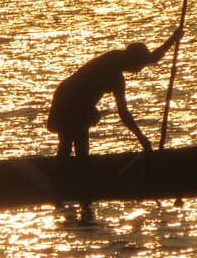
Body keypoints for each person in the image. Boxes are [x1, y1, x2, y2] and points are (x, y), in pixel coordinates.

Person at [47, 27, 183, 160]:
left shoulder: (119, 77)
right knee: (69, 141)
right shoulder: (111, 63)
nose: (140, 69)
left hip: (81, 105)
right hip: (67, 98)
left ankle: (77, 166)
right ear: (132, 60)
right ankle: (67, 169)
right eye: (139, 65)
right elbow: (121, 113)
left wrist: (173, 38)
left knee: (80, 144)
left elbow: (152, 58)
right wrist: (141, 137)